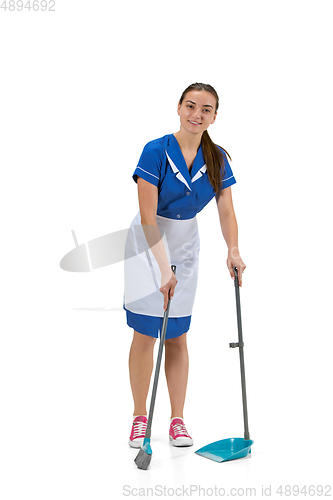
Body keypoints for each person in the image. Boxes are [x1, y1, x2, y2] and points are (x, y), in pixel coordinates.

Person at [124, 83, 246, 448]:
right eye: (191, 106)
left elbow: (226, 208)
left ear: (214, 117)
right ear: (179, 107)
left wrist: (234, 250)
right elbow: (148, 217)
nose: (197, 114)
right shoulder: (155, 151)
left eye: (205, 109)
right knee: (147, 331)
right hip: (148, 243)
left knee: (177, 334)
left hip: (186, 242)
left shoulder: (218, 157)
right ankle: (139, 416)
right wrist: (163, 269)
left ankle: (177, 419)